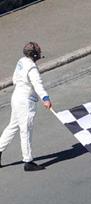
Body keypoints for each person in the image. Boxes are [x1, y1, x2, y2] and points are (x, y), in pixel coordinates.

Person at [0, 42, 52, 171]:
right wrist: (45, 98)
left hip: (16, 96)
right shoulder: (32, 68)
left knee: (12, 126)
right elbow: (38, 84)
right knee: (26, 130)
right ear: (35, 55)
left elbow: (14, 79)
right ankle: (28, 161)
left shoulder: (21, 61)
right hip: (25, 101)